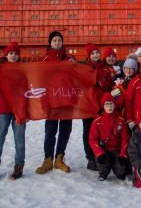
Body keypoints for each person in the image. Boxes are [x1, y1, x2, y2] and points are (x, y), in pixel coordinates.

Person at [36, 31, 75, 174]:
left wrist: (74, 65)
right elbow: (38, 77)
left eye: (59, 40)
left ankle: (59, 158)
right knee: (50, 130)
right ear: (50, 43)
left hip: (67, 99)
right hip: (51, 100)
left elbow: (77, 76)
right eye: (54, 40)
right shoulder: (44, 59)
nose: (57, 43)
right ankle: (47, 159)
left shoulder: (70, 58)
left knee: (65, 130)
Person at [83, 43, 114, 171]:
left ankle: (101, 156)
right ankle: (90, 158)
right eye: (92, 53)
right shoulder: (84, 69)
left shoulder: (105, 68)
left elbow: (109, 86)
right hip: (88, 105)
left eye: (96, 52)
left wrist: (101, 83)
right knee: (88, 132)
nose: (95, 55)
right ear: (89, 56)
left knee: (102, 131)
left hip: (101, 106)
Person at [0, 42, 26, 180]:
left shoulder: (23, 70)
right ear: (6, 55)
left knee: (19, 139)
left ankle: (19, 166)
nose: (13, 56)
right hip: (3, 109)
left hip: (18, 110)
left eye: (16, 53)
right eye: (11, 53)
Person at [89, 93, 129, 181]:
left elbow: (125, 139)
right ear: (103, 106)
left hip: (117, 149)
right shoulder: (97, 121)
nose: (109, 106)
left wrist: (123, 154)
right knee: (101, 161)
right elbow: (92, 140)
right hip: (105, 149)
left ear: (114, 105)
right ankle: (103, 173)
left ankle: (118, 170)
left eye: (111, 103)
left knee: (121, 170)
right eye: (107, 104)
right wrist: (99, 153)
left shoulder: (121, 120)